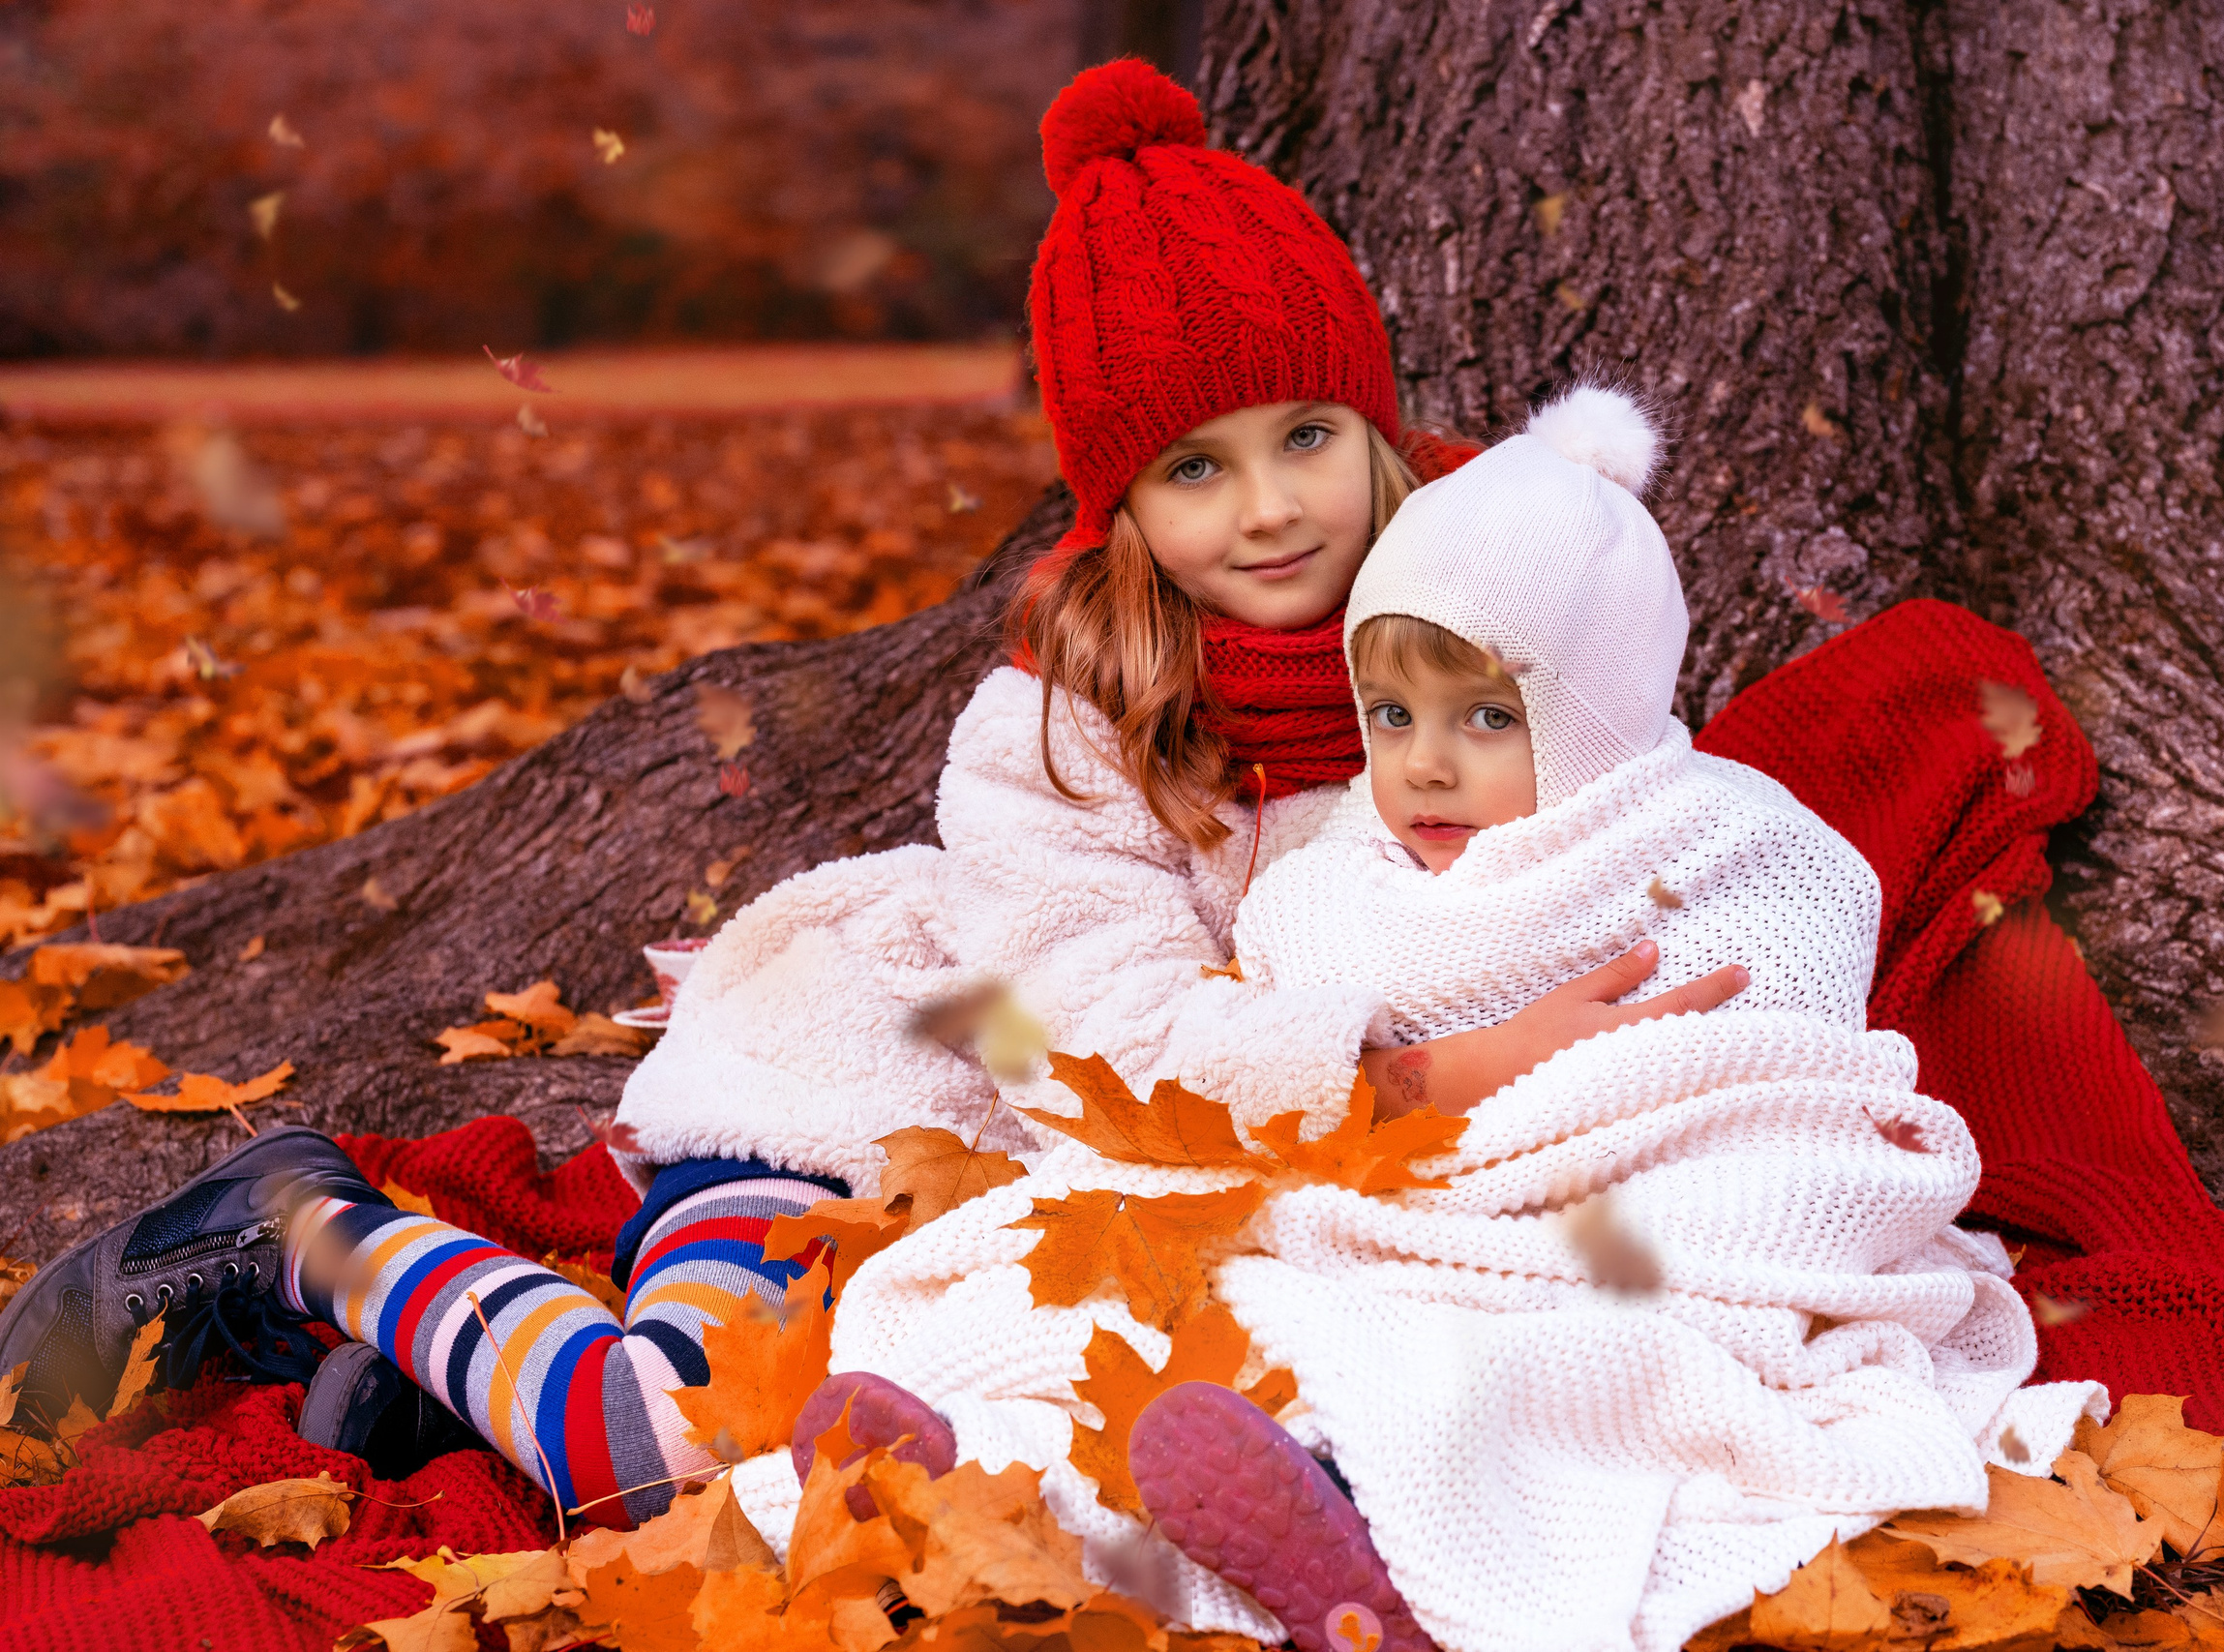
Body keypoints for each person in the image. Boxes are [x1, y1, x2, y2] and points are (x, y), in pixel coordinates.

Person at [0, 63, 1736, 1528]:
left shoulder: (1464, 629)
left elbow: (1597, 836)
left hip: (1105, 1200)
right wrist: (1425, 1076)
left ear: (1375, 423)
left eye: (1304, 436)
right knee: (668, 1448)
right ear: (1116, 500)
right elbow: (1097, 1034)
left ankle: (445, 1387)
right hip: (867, 1080)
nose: (1268, 509)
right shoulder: (1060, 723)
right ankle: (306, 1236)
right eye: (1194, 468)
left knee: (1044, 1465)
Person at [811, 386, 2109, 1652]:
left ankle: (1357, 1542)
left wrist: (1567, 1126)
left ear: (1586, 709)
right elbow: (1224, 1046)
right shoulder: (1333, 874)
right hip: (1380, 1196)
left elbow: (1769, 1085)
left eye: (1488, 718)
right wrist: (1434, 1089)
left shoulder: (1712, 847)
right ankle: (992, 1477)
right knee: (1187, 1289)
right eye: (1393, 719)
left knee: (1527, 1349)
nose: (1425, 763)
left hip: (1605, 1227)